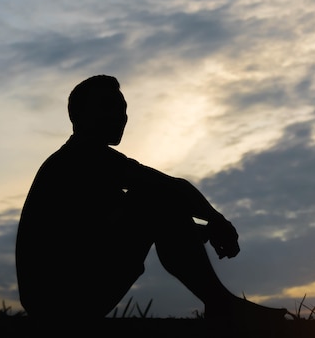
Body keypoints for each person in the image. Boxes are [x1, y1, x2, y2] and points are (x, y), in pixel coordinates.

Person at [15, 75, 286, 328]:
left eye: (122, 109)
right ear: (78, 116)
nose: (120, 116)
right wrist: (217, 220)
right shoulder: (79, 158)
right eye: (108, 107)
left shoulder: (89, 162)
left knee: (156, 203)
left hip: (65, 297)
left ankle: (220, 304)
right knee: (155, 198)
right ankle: (221, 304)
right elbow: (169, 189)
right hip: (60, 302)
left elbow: (122, 220)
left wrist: (192, 230)